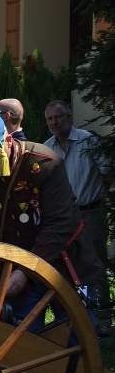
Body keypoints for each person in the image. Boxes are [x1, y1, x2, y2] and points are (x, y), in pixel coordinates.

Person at [0, 107, 104, 332]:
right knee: (22, 340)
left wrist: (26, 271)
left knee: (77, 334)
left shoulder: (45, 164)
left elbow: (59, 223)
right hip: (13, 270)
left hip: (62, 261)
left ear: (7, 141)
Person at [44, 100, 111, 336]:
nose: (54, 122)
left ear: (69, 117)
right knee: (65, 264)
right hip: (62, 216)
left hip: (90, 212)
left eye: (58, 117)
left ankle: (103, 317)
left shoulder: (88, 141)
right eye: (50, 119)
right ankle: (72, 316)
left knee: (95, 263)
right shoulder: (47, 148)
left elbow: (107, 174)